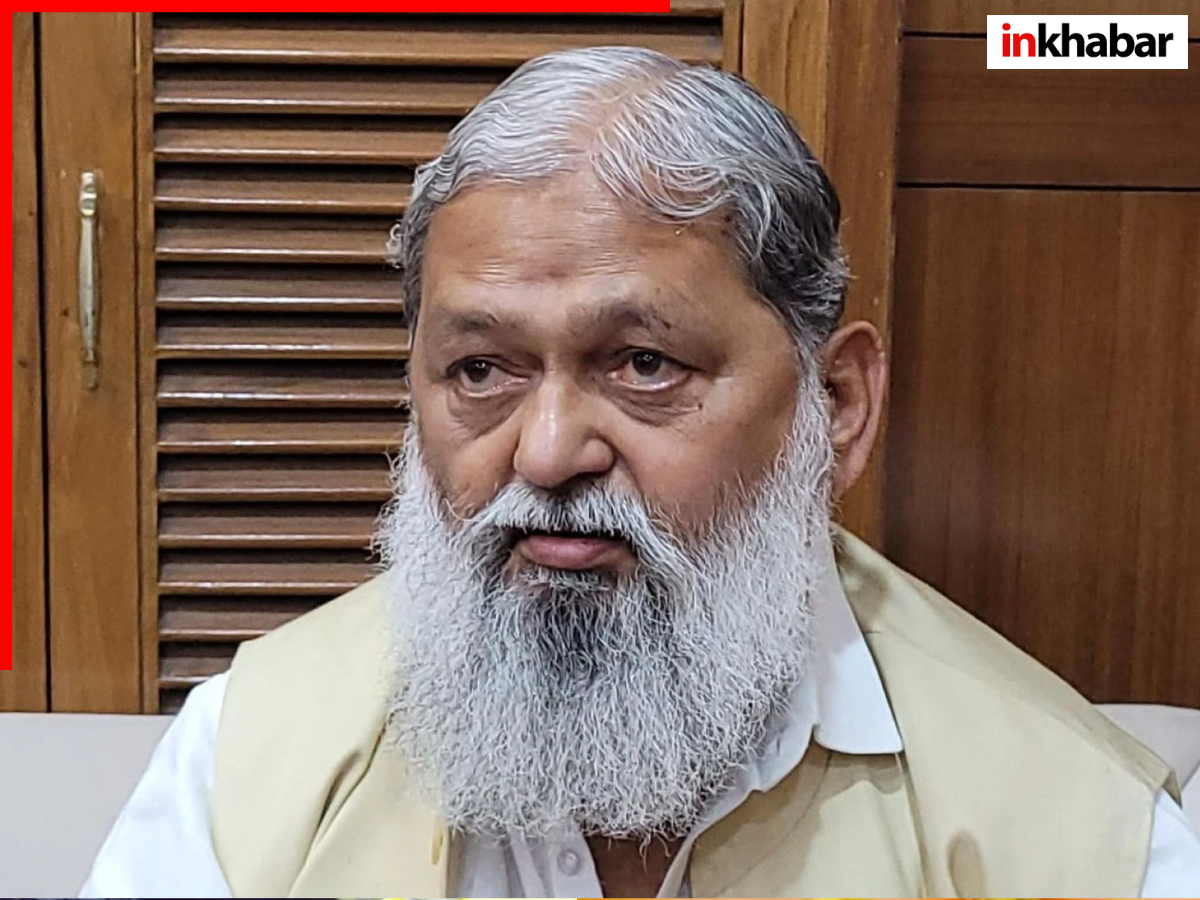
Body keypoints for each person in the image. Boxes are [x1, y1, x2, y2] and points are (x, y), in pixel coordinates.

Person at [82, 46, 1200, 898]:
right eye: (481, 370)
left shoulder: (1081, 835)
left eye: (644, 364)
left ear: (838, 405)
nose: (547, 452)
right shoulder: (249, 763)